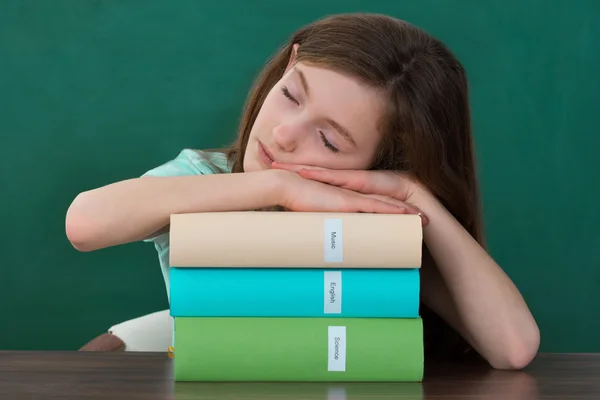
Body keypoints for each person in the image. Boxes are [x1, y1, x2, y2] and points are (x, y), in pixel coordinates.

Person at [66, 12, 540, 369]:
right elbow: (85, 224)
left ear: (380, 162)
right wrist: (276, 185)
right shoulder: (205, 178)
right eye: (291, 95)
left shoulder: (371, 223)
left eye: (330, 140)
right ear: (288, 63)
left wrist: (412, 195)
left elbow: (513, 347)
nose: (285, 135)